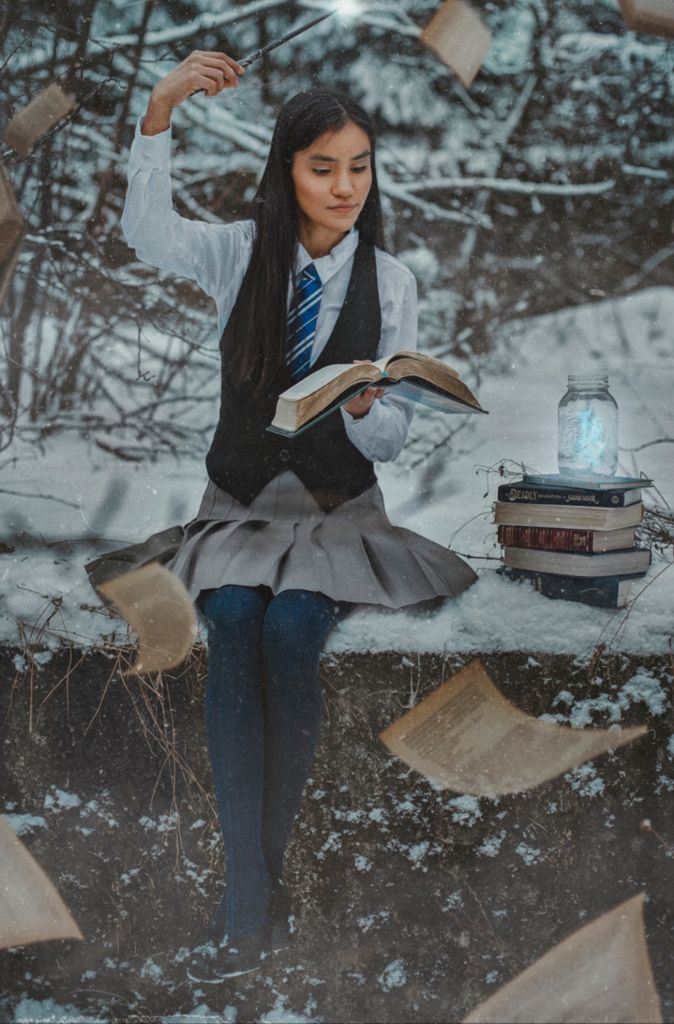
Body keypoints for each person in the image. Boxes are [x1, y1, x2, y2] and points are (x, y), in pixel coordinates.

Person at [105, 50, 477, 981]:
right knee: (233, 619)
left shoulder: (391, 280)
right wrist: (158, 111)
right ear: (287, 171)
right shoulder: (236, 252)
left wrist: (367, 411)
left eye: (359, 165)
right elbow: (146, 231)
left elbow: (391, 440)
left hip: (337, 510)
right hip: (239, 504)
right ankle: (248, 895)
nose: (345, 185)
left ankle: (250, 900)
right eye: (323, 166)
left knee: (291, 631)